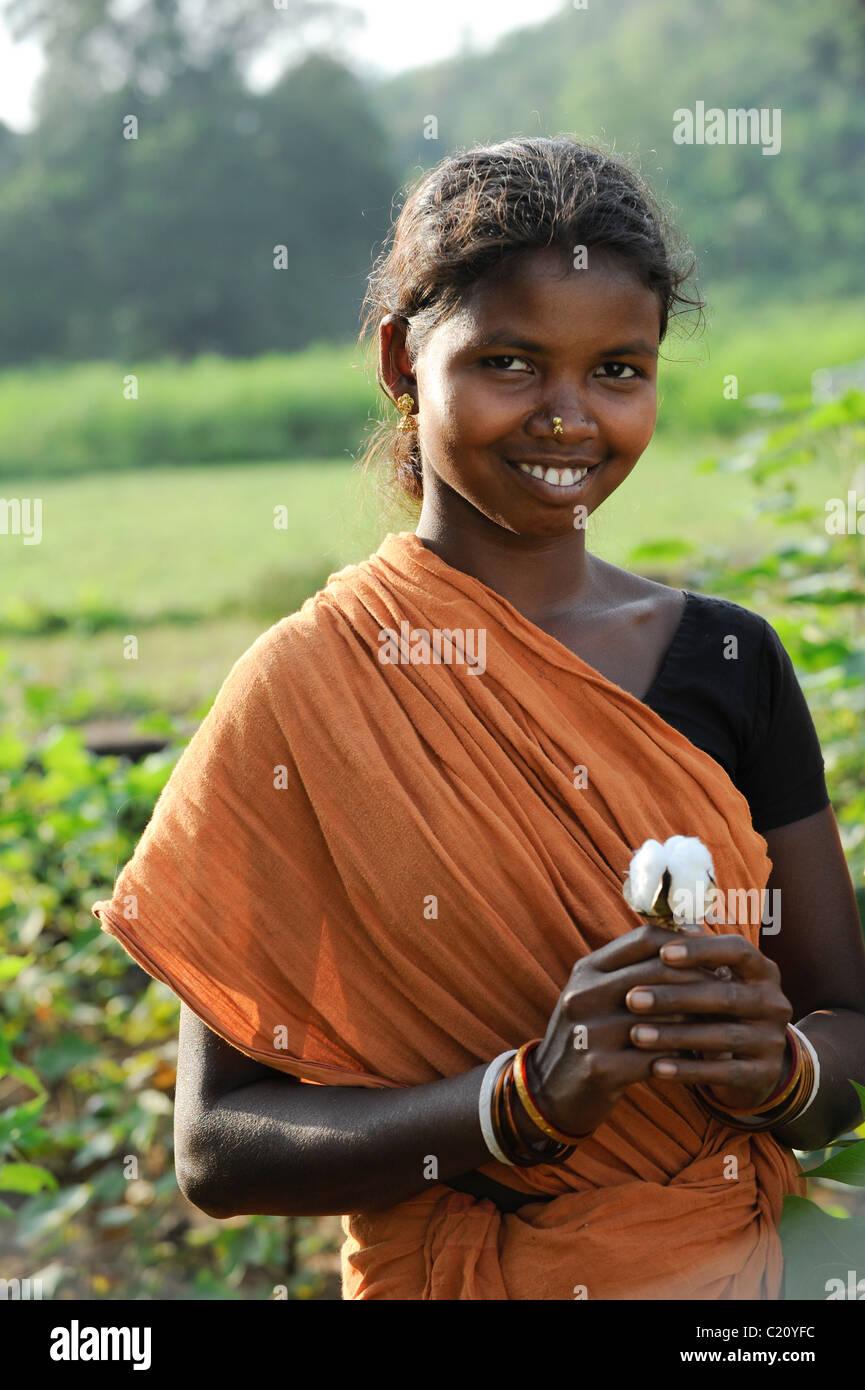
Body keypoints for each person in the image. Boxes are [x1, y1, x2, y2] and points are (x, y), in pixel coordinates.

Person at [91, 135, 865, 1301]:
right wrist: (519, 1100)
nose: (568, 418)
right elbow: (220, 1147)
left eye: (618, 370)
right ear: (404, 357)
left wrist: (780, 1069)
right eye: (510, 362)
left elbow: (847, 1025)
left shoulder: (729, 657)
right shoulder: (309, 687)